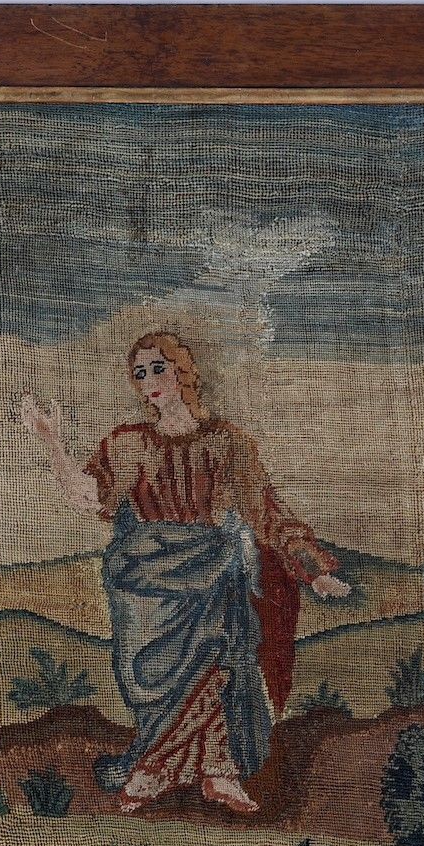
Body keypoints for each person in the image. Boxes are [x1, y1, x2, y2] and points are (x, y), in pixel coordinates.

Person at [22, 331, 350, 815]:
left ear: (184, 371)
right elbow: (88, 496)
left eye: (159, 368)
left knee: (219, 663)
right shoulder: (128, 444)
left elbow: (266, 512)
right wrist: (50, 440)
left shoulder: (226, 443)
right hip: (145, 581)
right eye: (140, 373)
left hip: (211, 572)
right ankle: (155, 769)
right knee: (148, 676)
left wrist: (313, 570)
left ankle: (218, 771)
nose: (150, 380)